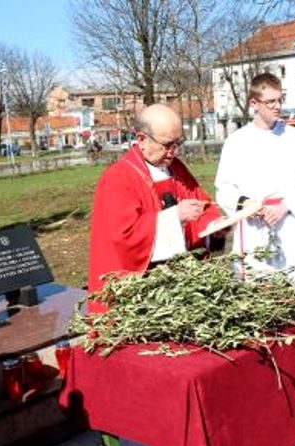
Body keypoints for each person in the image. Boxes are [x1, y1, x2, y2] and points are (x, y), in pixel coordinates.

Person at [87, 103, 222, 312]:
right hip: (143, 292)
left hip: (182, 285)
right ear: (141, 139)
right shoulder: (118, 178)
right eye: (167, 144)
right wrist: (174, 217)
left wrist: (214, 226)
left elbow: (201, 205)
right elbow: (122, 238)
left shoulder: (176, 168)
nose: (173, 152)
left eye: (178, 143)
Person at [214, 72, 295, 281]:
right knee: (257, 290)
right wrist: (245, 203)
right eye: (270, 101)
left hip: (289, 225)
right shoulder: (236, 142)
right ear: (254, 103)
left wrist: (284, 206)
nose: (277, 106)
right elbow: (224, 187)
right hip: (253, 228)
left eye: (280, 100)